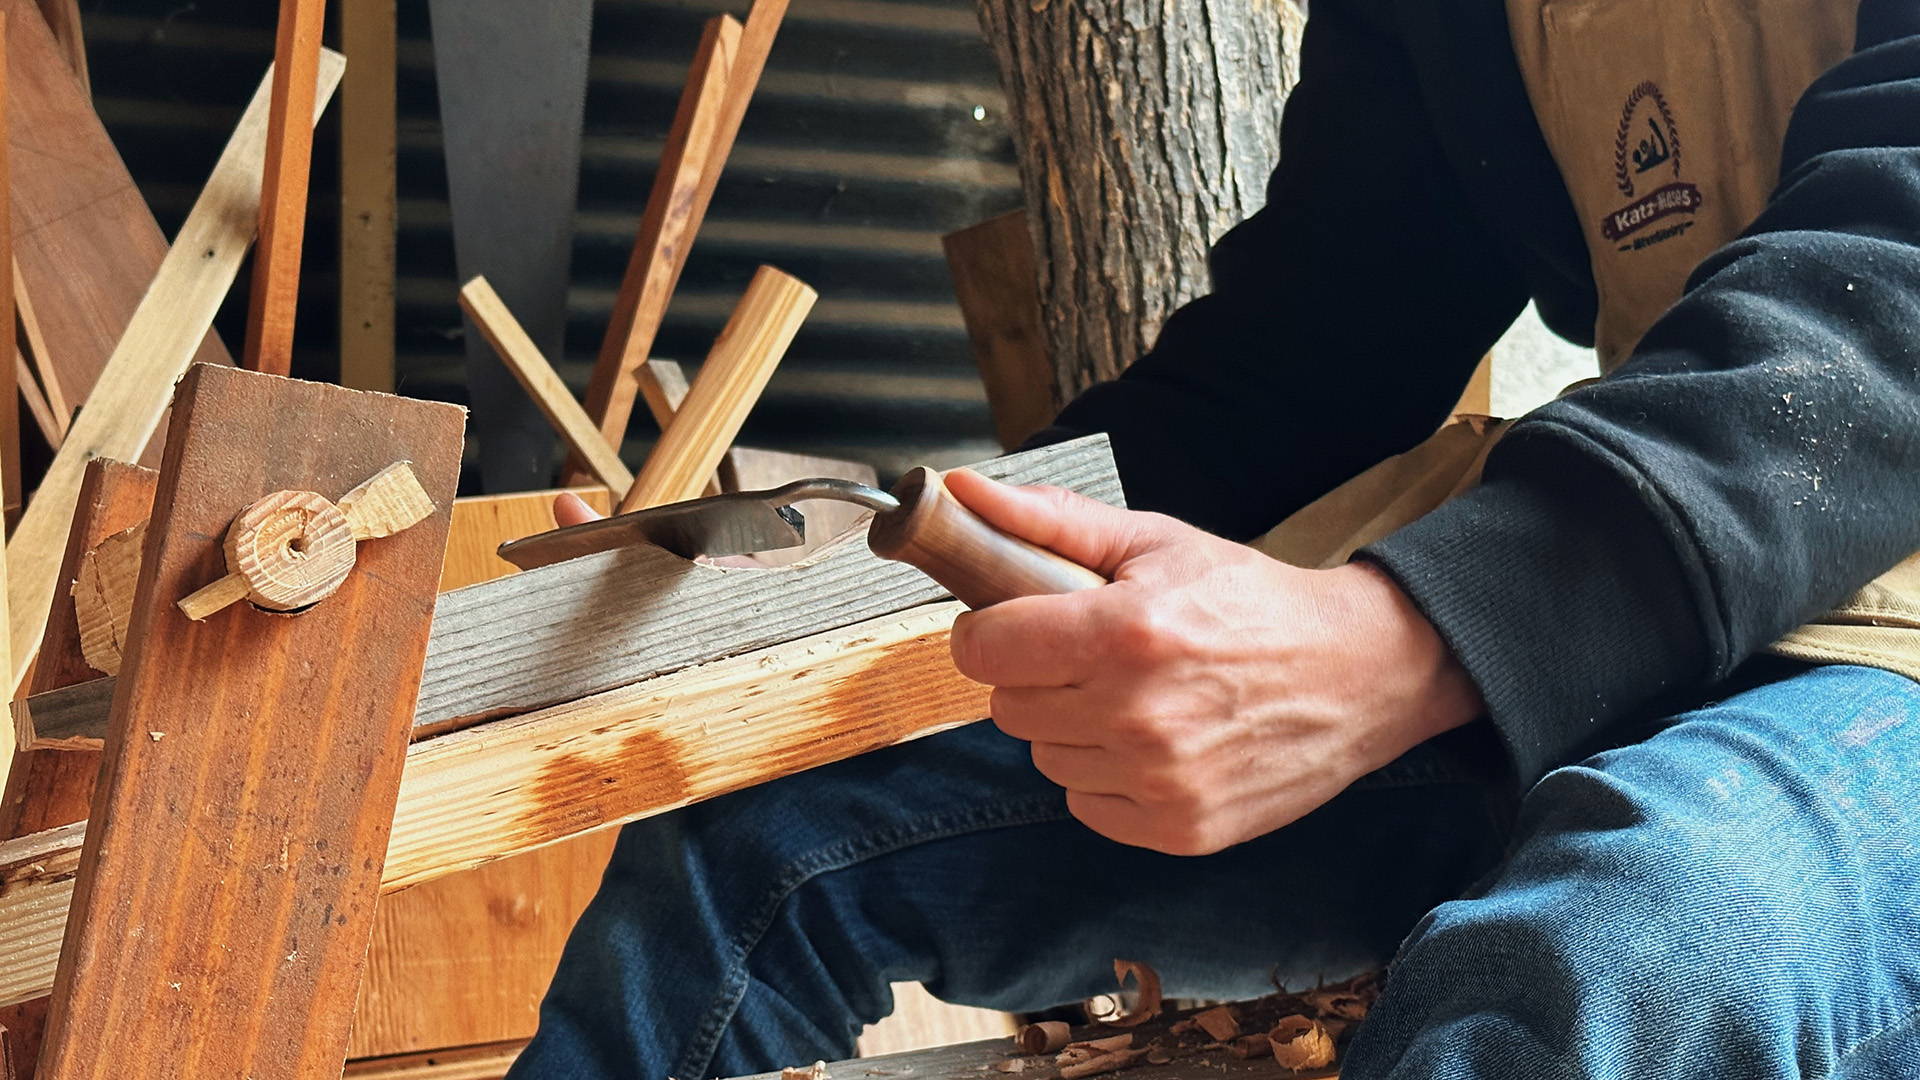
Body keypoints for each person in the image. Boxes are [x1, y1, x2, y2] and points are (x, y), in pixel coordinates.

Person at [509, 0, 1920, 1076]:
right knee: (764, 837)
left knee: (1625, 957)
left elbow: (1892, 296)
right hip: (1630, 619)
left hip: (1891, 635)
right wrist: (879, 563)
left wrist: (1411, 638)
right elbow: (1306, 357)